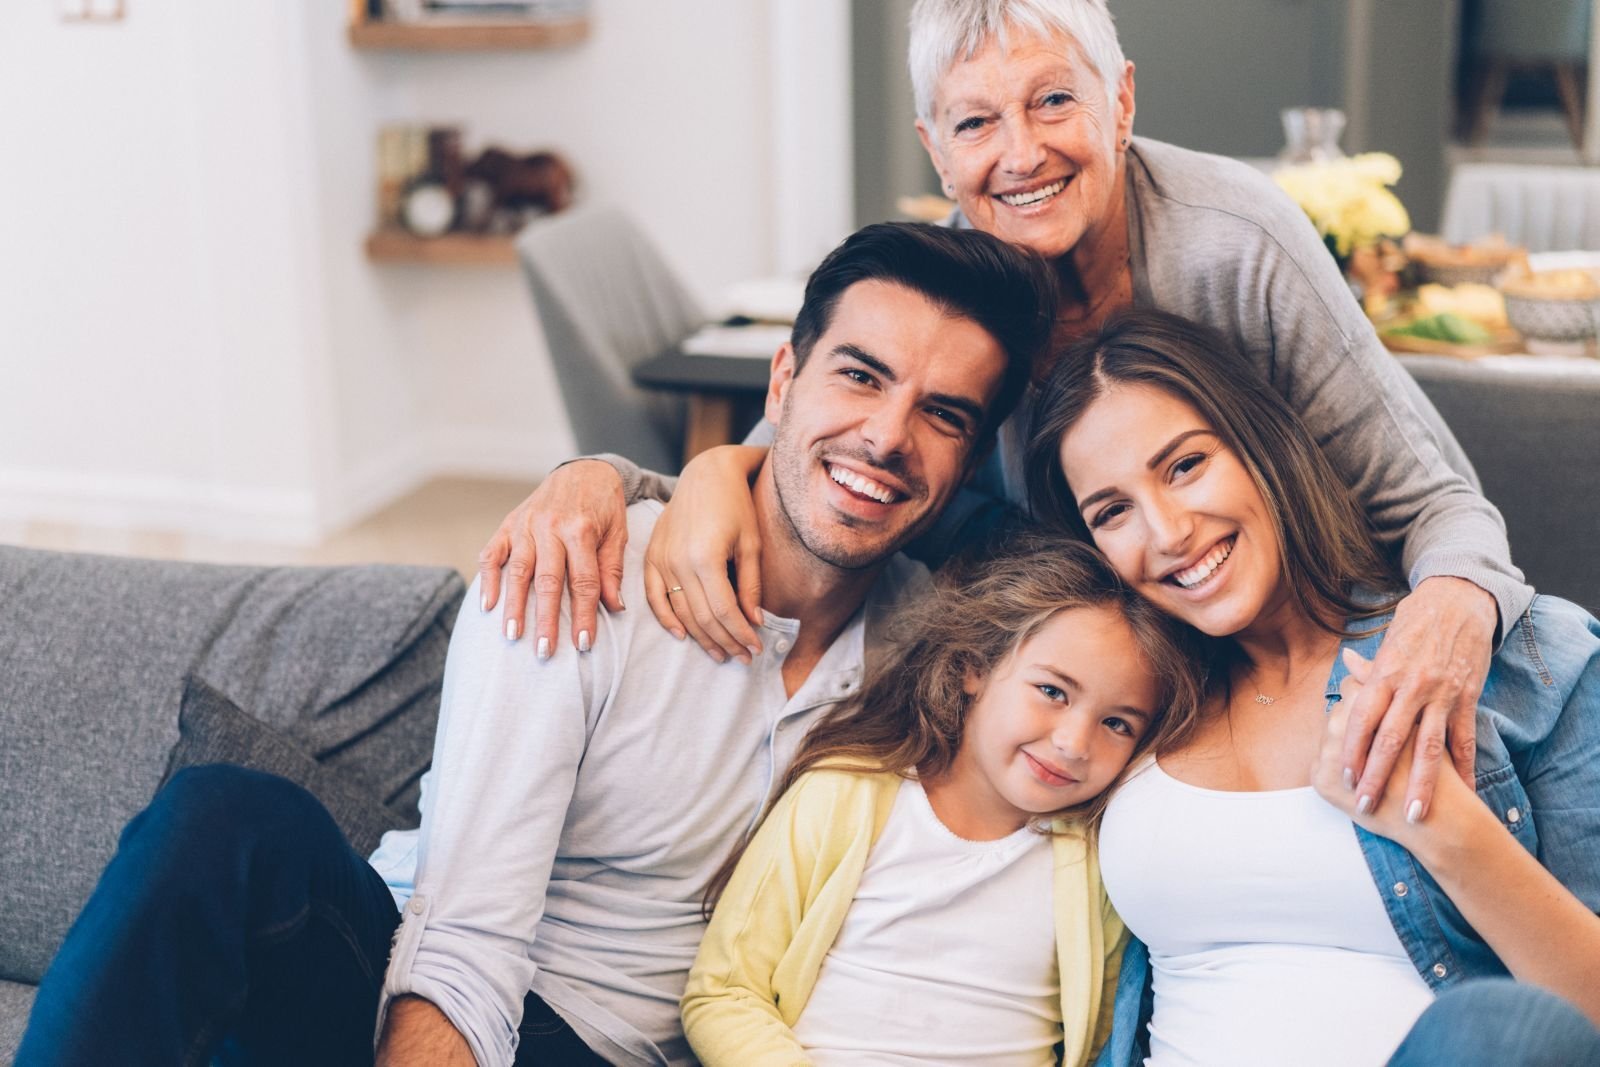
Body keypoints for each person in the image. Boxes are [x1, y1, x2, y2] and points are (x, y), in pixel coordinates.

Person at [16, 223, 1055, 1067]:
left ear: (969, 459)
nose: (886, 436)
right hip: (407, 982)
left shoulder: (932, 657)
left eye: (943, 414)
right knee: (224, 815)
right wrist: (619, 478)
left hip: (622, 1044)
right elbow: (466, 934)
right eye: (860, 376)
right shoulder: (579, 565)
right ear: (781, 380)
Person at [478, 0, 1528, 828]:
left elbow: (1439, 502)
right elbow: (795, 470)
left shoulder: (1233, 241)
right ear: (936, 149)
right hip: (1088, 695)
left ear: (1119, 102)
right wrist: (629, 478)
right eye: (975, 122)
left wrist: (1448, 612)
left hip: (1291, 660)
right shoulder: (950, 288)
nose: (1018, 154)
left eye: (1052, 103)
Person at [1022, 308, 1600, 1066]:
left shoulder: (1519, 656)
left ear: (1264, 444)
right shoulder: (1129, 700)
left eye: (1185, 466)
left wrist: (1441, 824)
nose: (1166, 533)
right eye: (1113, 511)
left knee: (1503, 1027)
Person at [682, 534, 1205, 1067]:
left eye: (1117, 723)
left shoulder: (1100, 862)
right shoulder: (844, 795)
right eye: (1052, 691)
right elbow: (722, 995)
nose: (1074, 742)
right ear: (973, 667)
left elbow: (1098, 1041)